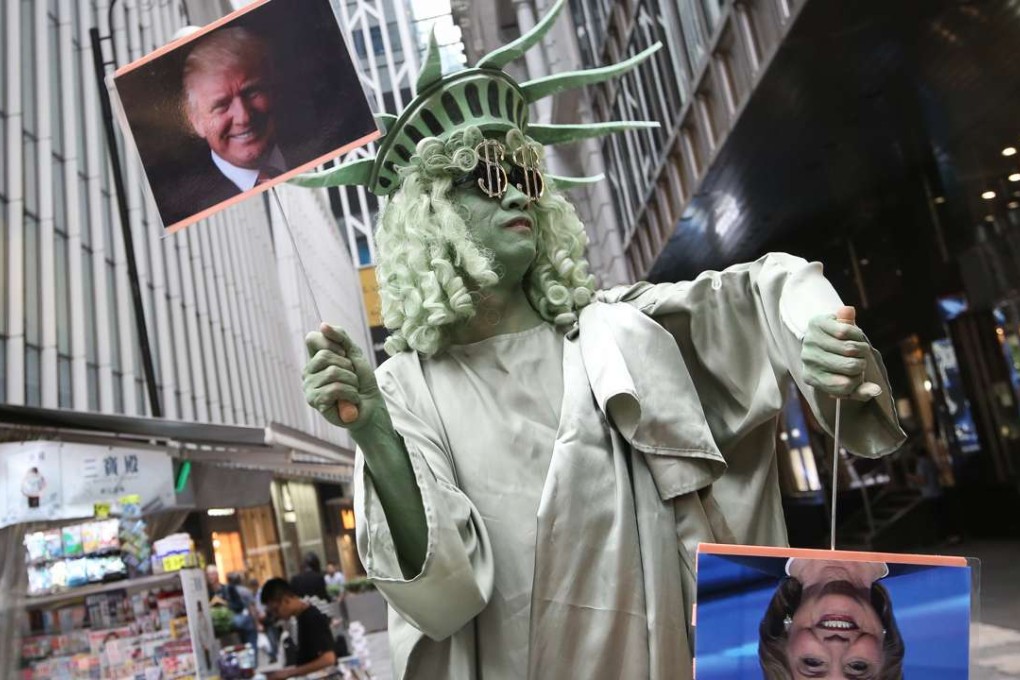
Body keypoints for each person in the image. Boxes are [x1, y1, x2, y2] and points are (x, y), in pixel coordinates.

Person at [295, 1, 906, 676]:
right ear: (431, 213)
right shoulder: (406, 388)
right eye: (487, 179)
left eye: (526, 178)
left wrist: (820, 335)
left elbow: (770, 289)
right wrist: (375, 432)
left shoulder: (616, 331)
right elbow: (443, 595)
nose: (517, 197)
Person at [157, 27, 286, 226]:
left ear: (272, 90)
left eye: (251, 92)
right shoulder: (187, 207)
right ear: (196, 122)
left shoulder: (318, 146)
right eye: (222, 105)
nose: (243, 117)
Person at [759, 559, 905, 679]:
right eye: (858, 666)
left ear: (785, 635)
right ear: (884, 644)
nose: (836, 644)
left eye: (813, 662)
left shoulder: (740, 538)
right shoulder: (926, 542)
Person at [260, 578, 336, 680]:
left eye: (276, 610)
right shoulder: (300, 618)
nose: (276, 615)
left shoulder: (312, 617)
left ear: (286, 600)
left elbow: (328, 659)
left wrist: (288, 673)